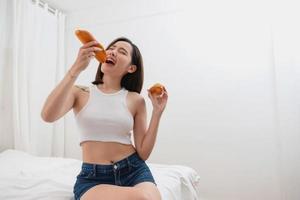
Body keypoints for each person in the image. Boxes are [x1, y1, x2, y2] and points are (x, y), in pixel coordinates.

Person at [41, 37, 168, 200]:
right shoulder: (79, 92)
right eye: (111, 48)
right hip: (93, 178)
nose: (113, 52)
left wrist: (157, 112)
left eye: (122, 51)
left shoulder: (136, 100)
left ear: (131, 68)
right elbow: (47, 116)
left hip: (134, 170)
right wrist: (76, 69)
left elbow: (143, 152)